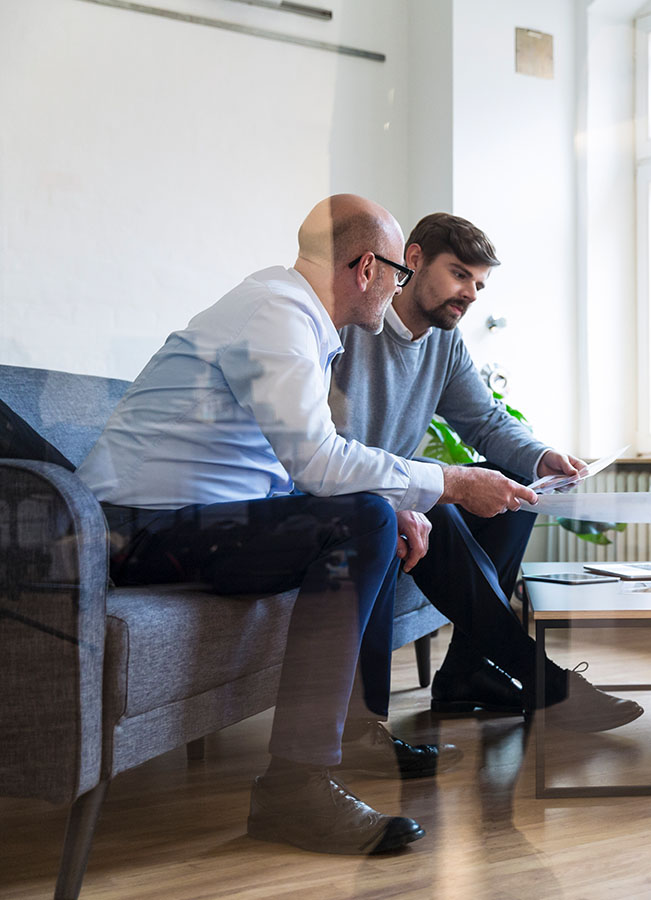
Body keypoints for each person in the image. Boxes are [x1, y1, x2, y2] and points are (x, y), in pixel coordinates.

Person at [75, 194, 545, 855]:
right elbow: (320, 462)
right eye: (398, 275)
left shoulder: (291, 316)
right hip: (138, 528)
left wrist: (402, 502)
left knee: (373, 514)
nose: (399, 290)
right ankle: (295, 788)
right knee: (360, 520)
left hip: (186, 520)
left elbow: (294, 466)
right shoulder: (280, 314)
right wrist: (456, 484)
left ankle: (358, 733)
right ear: (365, 268)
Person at [329, 212, 643, 729]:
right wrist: (415, 495)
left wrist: (542, 459)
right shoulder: (351, 325)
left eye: (478, 283)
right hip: (354, 499)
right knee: (439, 499)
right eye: (458, 274)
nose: (470, 293)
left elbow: (486, 422)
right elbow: (323, 451)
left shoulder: (445, 344)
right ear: (413, 260)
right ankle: (545, 682)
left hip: (404, 497)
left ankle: (465, 674)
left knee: (509, 489)